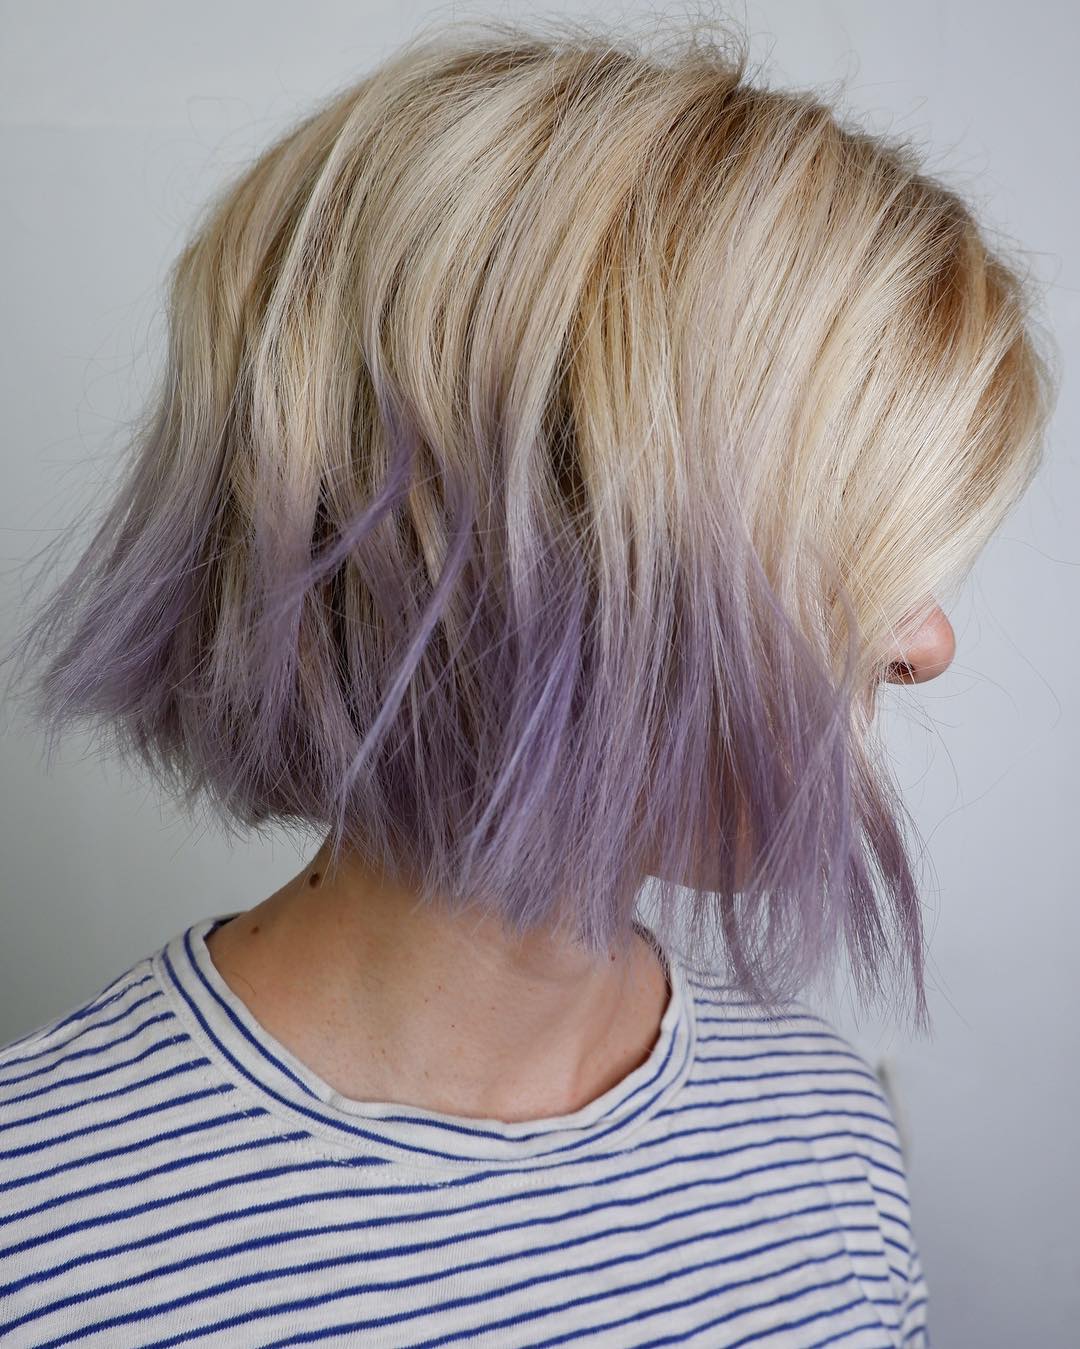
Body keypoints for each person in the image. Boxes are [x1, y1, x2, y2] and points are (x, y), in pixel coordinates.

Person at [0, 15, 1055, 1347]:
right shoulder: (44, 1237)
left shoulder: (823, 1136)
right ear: (517, 553)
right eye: (847, 536)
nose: (927, 643)